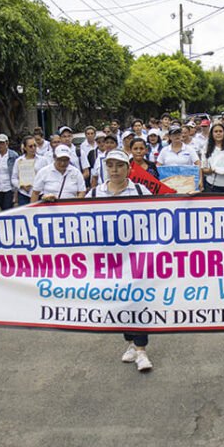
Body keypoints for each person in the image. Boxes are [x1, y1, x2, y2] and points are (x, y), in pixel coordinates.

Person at [85, 149, 153, 371]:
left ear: (129, 168)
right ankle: (131, 343)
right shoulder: (95, 194)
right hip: (108, 259)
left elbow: (161, 213)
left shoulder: (141, 191)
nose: (114, 170)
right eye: (110, 165)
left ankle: (142, 350)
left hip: (136, 256)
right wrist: (51, 203)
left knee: (138, 299)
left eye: (120, 165)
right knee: (121, 300)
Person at [11, 135, 45, 206]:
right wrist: (21, 185)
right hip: (24, 194)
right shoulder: (19, 161)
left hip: (40, 193)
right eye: (30, 146)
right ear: (25, 148)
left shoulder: (43, 160)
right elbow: (14, 178)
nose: (33, 148)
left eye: (35, 146)